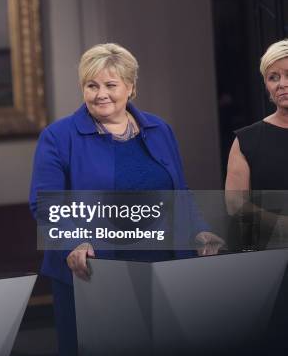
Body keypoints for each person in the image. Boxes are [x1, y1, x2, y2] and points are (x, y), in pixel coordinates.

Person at [29, 43, 223, 355]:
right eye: (91, 85)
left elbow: (180, 194)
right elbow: (45, 204)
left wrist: (199, 230)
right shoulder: (58, 136)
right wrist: (74, 242)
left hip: (164, 267)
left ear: (130, 87)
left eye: (110, 85)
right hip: (95, 271)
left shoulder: (160, 129)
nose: (100, 94)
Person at [226, 39, 288, 242]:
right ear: (266, 85)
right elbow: (235, 203)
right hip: (272, 253)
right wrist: (278, 223)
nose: (282, 84)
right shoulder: (247, 140)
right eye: (273, 77)